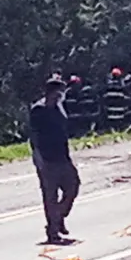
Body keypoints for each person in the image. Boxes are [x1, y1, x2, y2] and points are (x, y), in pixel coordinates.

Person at [29, 76, 81, 244]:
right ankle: (52, 232)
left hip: (63, 156)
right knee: (50, 196)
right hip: (47, 159)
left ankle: (59, 217)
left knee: (73, 187)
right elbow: (34, 136)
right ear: (50, 92)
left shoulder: (59, 107)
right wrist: (38, 158)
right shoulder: (39, 109)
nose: (61, 95)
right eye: (59, 91)